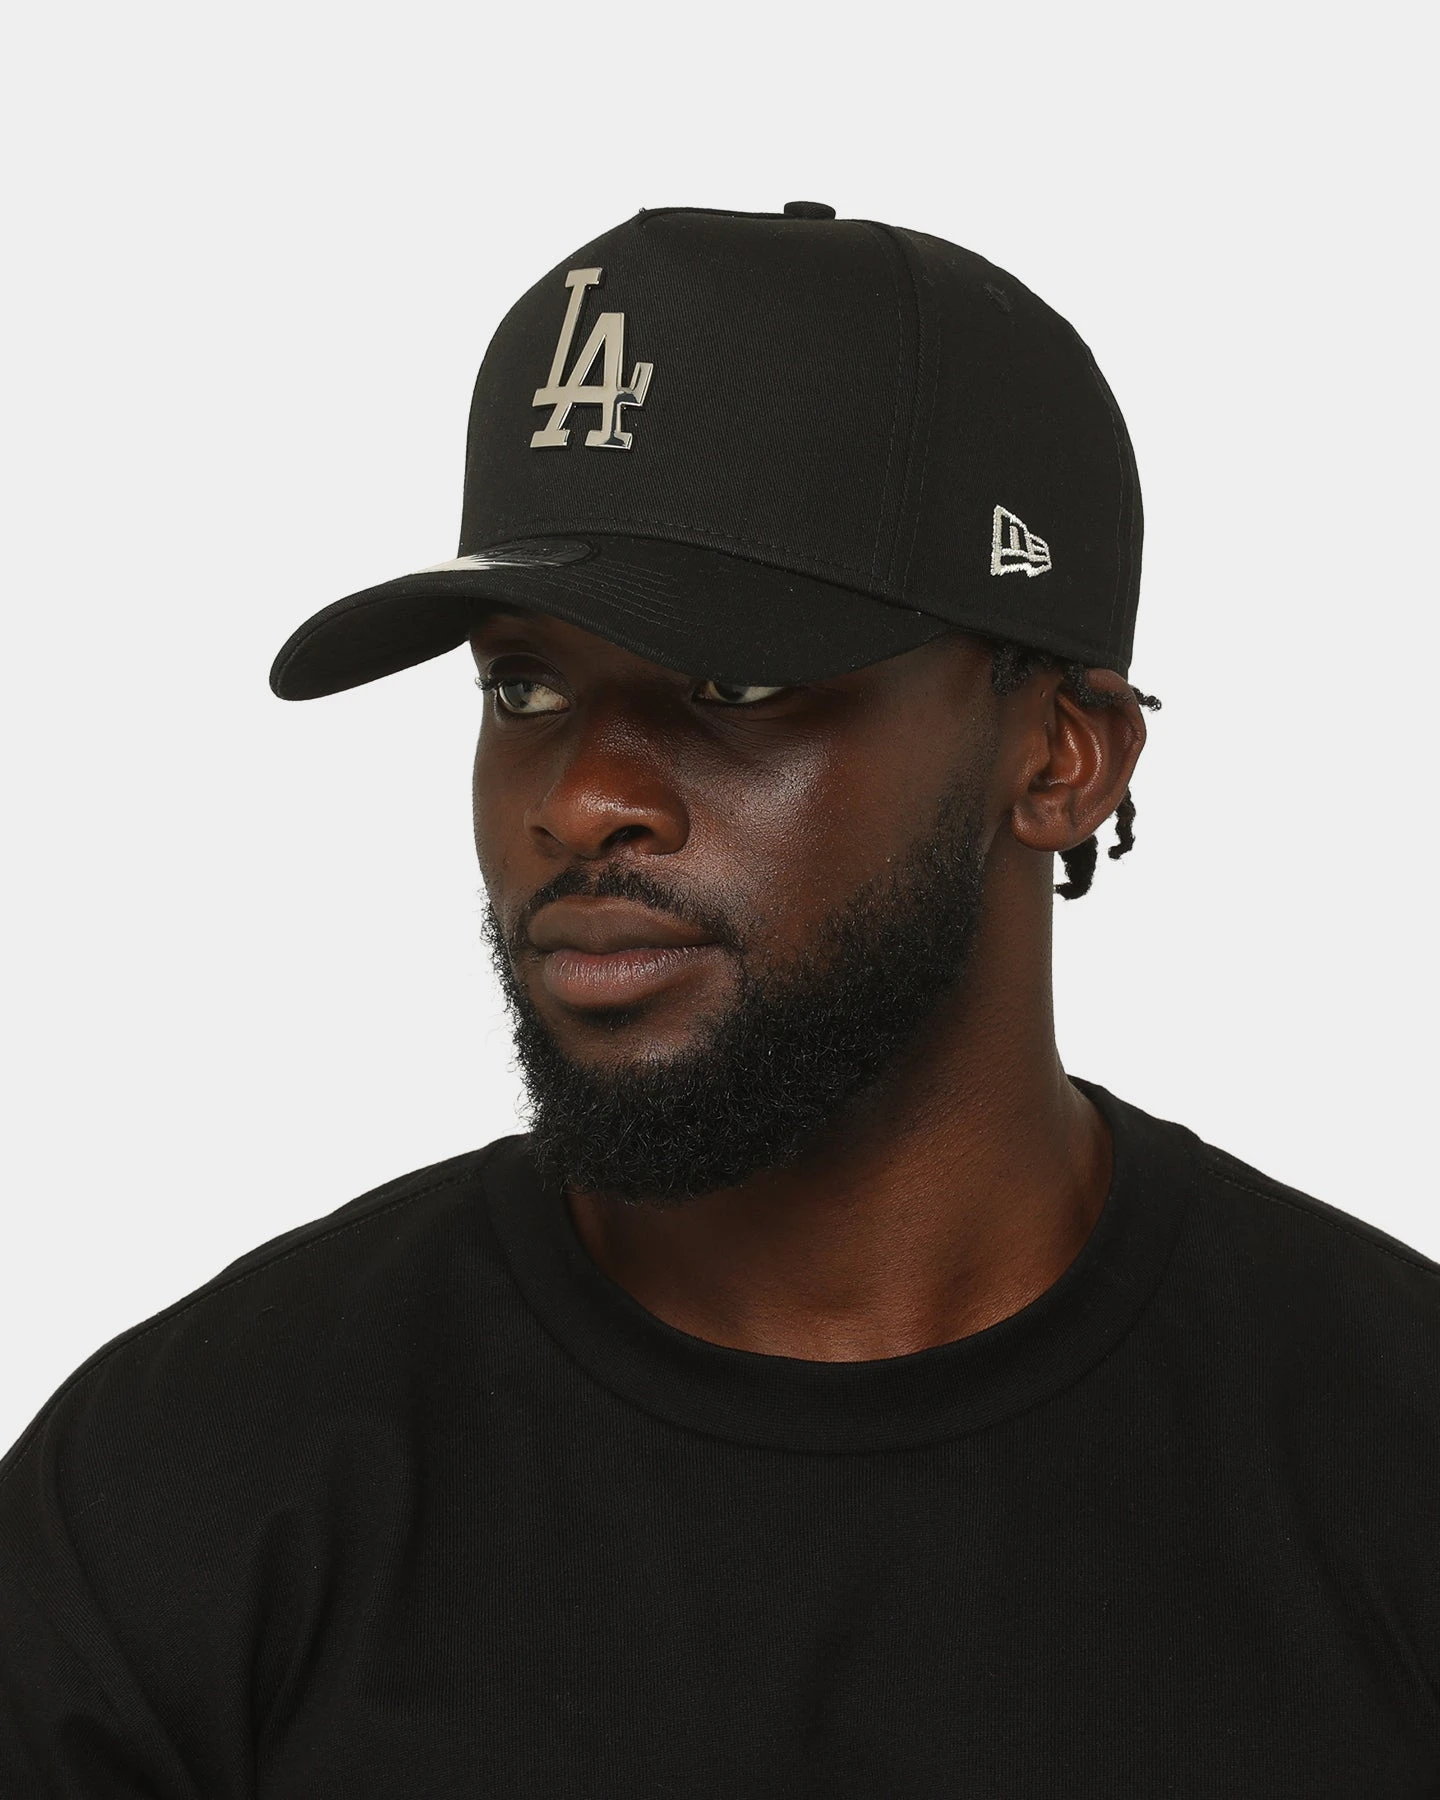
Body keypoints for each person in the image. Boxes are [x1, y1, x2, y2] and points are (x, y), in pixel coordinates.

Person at [2, 201, 1436, 1796]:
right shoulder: (192, 1491)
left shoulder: (1386, 1466)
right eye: (523, 682)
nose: (582, 797)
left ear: (1062, 757)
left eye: (737, 683)